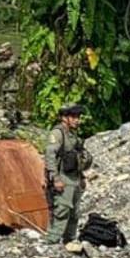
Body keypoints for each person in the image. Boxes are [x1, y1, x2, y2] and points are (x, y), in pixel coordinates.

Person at [44, 104, 92, 244]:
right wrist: (55, 178)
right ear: (65, 118)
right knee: (62, 210)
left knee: (75, 212)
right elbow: (50, 156)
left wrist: (82, 177)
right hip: (63, 177)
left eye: (78, 117)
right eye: (74, 117)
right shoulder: (58, 134)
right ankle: (52, 240)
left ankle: (69, 239)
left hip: (74, 178)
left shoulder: (73, 134)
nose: (77, 120)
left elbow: (77, 156)